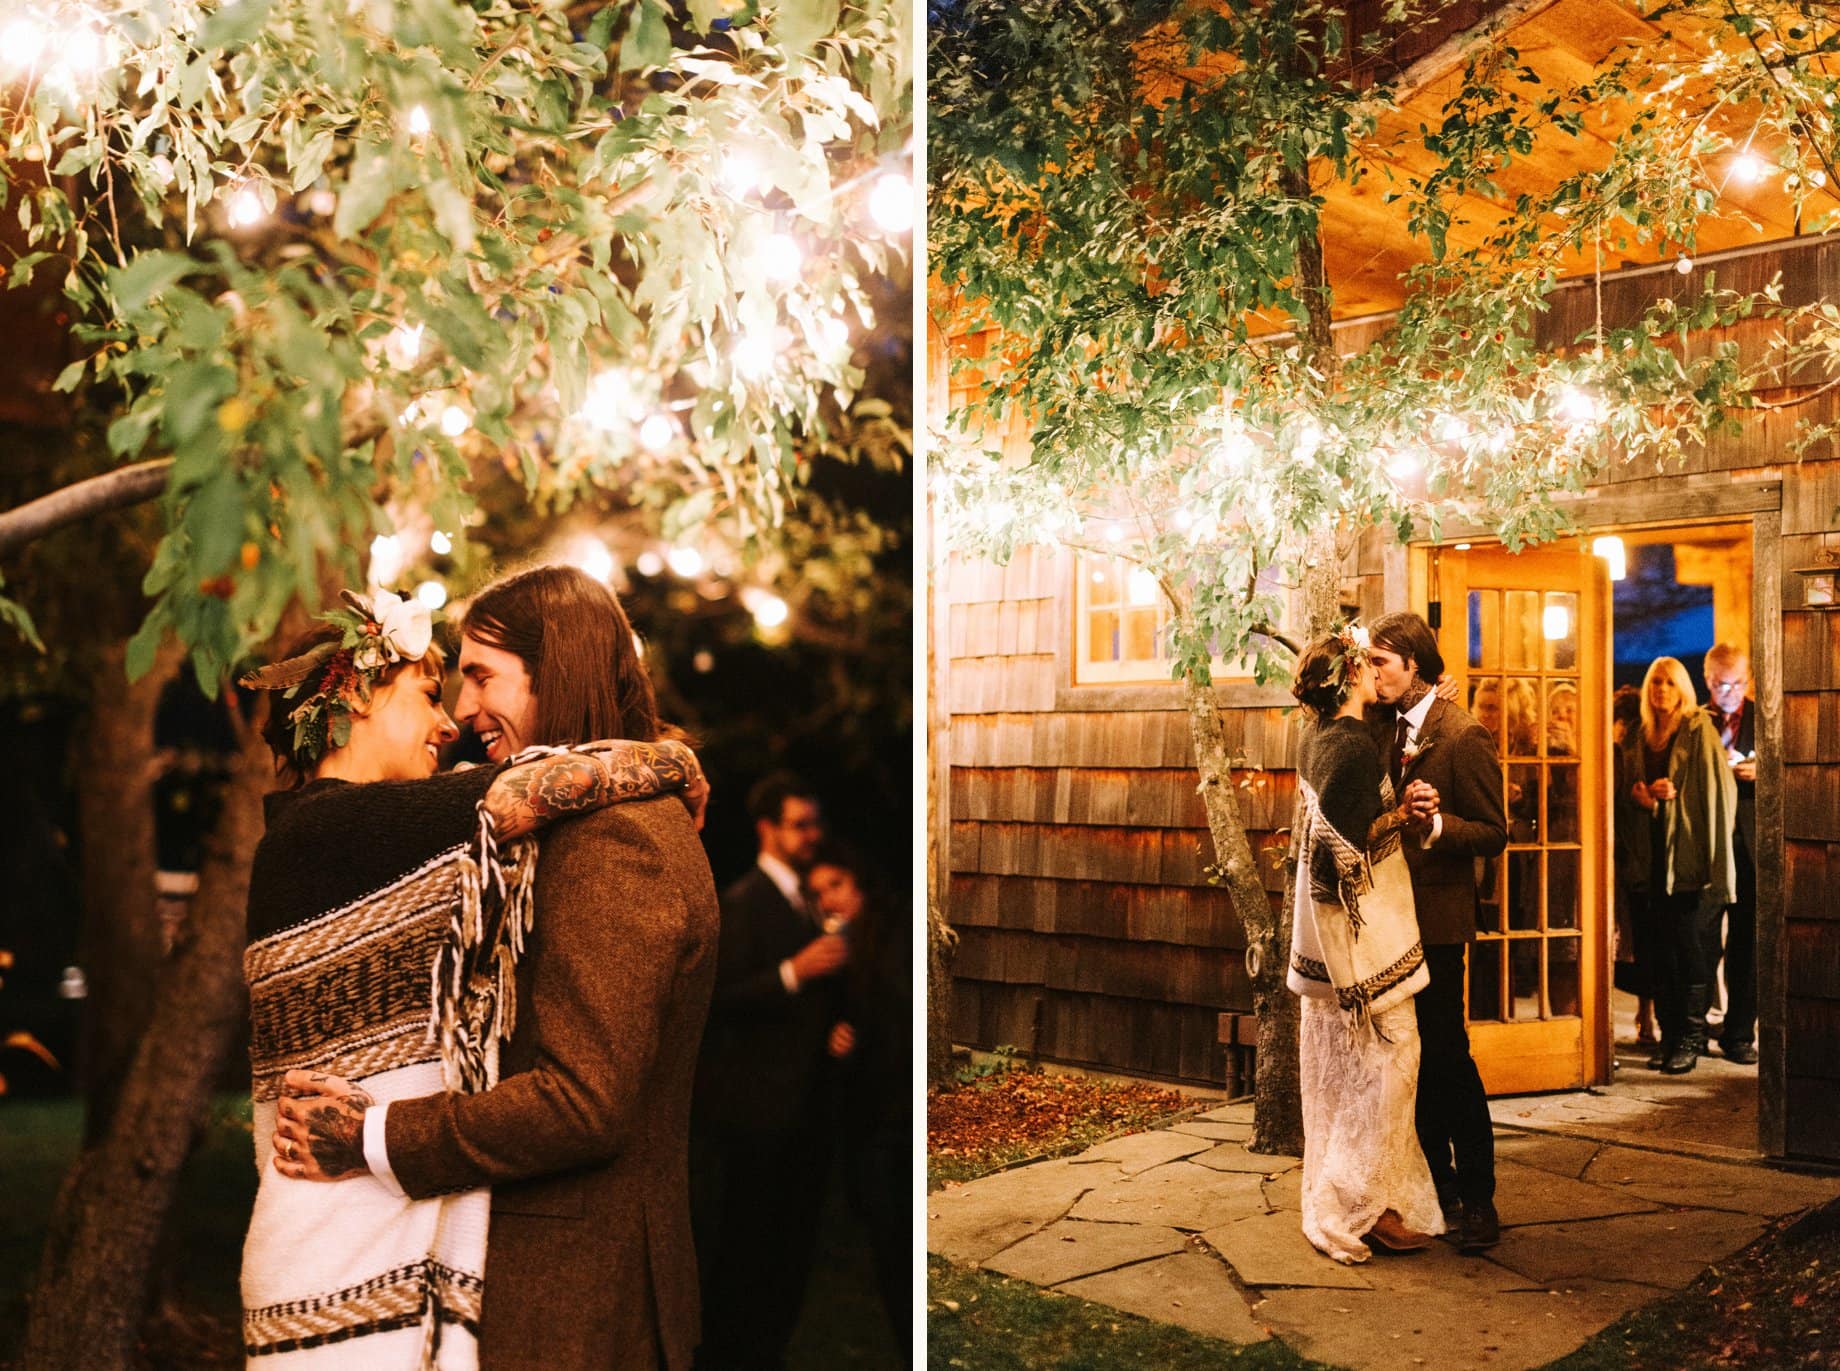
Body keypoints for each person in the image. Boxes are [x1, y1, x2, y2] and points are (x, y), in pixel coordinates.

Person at [239, 586, 704, 1368]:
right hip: (338, 1244)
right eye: (430, 689)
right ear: (351, 697)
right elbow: (520, 791)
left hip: (376, 1242)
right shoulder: (323, 829)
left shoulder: (380, 844)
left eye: (476, 679)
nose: (451, 716)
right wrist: (669, 760)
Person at [1287, 624, 1444, 1263]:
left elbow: (1342, 824)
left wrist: (1391, 815)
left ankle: (1367, 1195)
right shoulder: (1350, 748)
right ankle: (1357, 1203)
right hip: (1363, 947)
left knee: (1346, 1077)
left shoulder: (1319, 737)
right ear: (1351, 678)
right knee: (1389, 1068)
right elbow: (1341, 857)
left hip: (1319, 948)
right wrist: (1399, 822)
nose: (1378, 670)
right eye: (1368, 663)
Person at [691, 772, 845, 1370]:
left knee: (792, 1253)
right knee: (744, 1254)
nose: (812, 835)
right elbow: (719, 997)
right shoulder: (741, 902)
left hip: (807, 1108)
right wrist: (793, 973)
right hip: (751, 1114)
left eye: (815, 823)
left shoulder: (813, 897)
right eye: (799, 824)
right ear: (767, 829)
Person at [1366, 611, 1509, 1252]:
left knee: (1448, 1055)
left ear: (1413, 665)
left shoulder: (1463, 735)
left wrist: (1436, 826)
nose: (1371, 674)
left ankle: (1480, 1200)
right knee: (1409, 1060)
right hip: (1387, 919)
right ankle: (1438, 1190)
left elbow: (1495, 832)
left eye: (1381, 663)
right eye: (1368, 663)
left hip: (1440, 920)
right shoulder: (1375, 726)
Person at [804, 841, 911, 1362]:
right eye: (818, 893)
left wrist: (859, 1033)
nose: (827, 901)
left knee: (897, 1249)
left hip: (894, 1118)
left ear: (860, 881)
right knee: (884, 1249)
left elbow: (894, 1017)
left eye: (835, 886)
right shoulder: (848, 943)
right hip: (869, 1117)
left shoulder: (895, 932)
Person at [1621, 655, 1737, 1074]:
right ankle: (1670, 1036)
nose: (1661, 691)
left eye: (1669, 683)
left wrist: (1674, 800)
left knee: (1687, 948)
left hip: (1685, 859)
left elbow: (1713, 793)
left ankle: (1691, 1038)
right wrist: (1645, 801)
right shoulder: (1638, 734)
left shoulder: (1697, 729)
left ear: (1682, 688)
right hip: (1647, 856)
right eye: (1655, 683)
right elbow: (1624, 792)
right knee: (1657, 951)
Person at [1703, 643, 1758, 1065]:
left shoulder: (1765, 716)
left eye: (1738, 682)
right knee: (1701, 940)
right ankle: (1696, 1025)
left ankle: (1740, 1032)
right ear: (1708, 680)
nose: (1731, 691)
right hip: (1707, 847)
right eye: (1723, 683)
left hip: (1753, 848)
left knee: (1748, 943)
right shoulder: (1696, 721)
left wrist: (1764, 770)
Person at [1610, 685, 1658, 1045]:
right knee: (1636, 936)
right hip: (1625, 853)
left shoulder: (1631, 754)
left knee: (1640, 936)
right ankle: (1646, 1014)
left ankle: (1648, 1013)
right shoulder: (1622, 752)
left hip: (1631, 854)